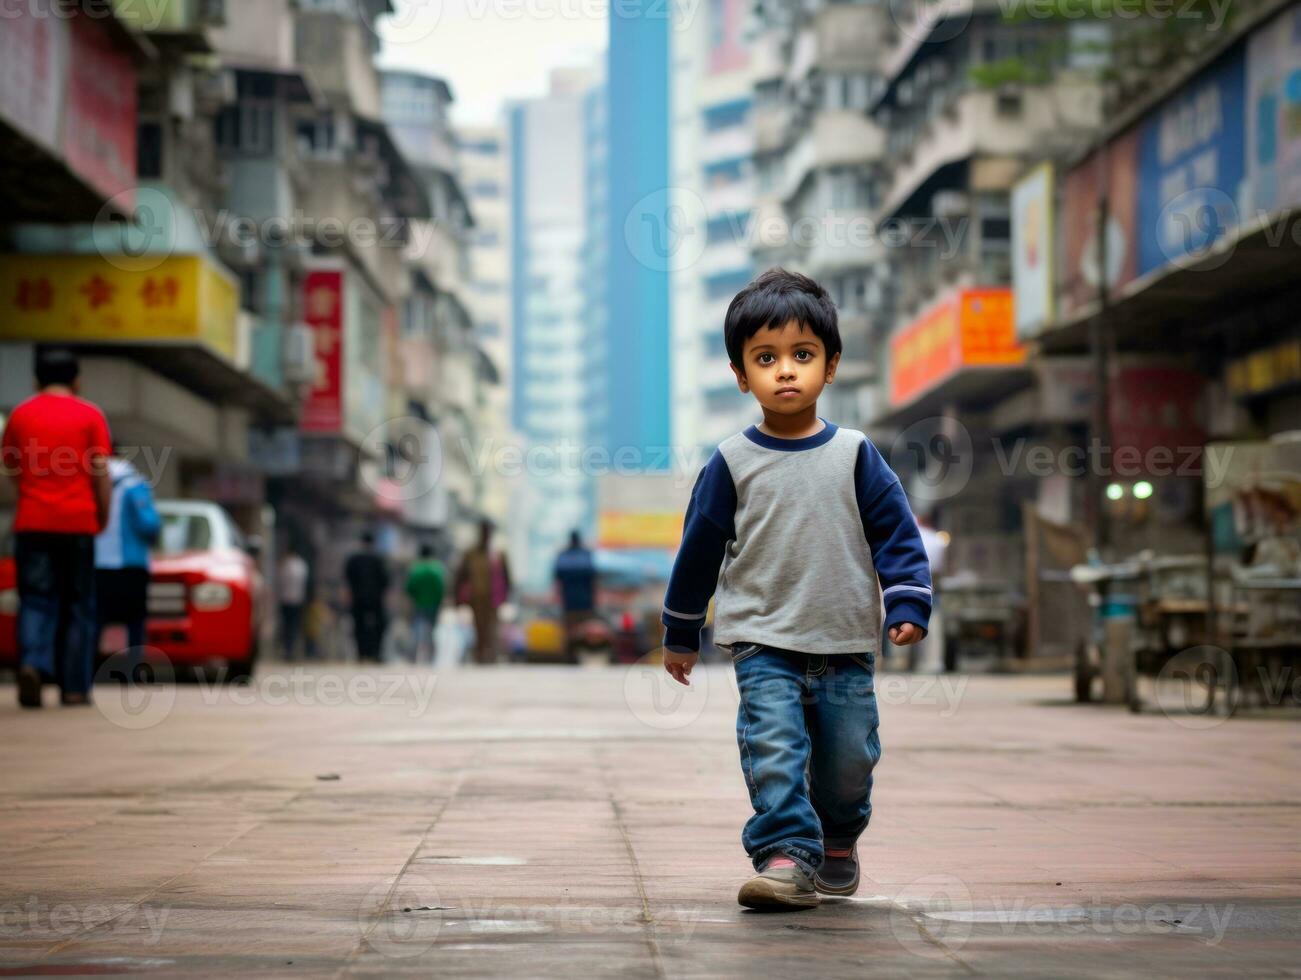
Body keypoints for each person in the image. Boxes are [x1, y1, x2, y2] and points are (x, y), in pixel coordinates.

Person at [660, 269, 931, 910]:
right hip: (762, 641)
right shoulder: (730, 463)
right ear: (740, 373)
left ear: (830, 366)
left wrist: (908, 599)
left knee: (847, 761)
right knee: (775, 750)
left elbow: (897, 533)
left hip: (843, 640)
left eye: (802, 356)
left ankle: (837, 837)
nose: (786, 371)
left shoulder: (857, 455)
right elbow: (697, 552)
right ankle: (786, 854)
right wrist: (680, 632)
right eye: (766, 358)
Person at [1, 348, 113, 708]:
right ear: (77, 381)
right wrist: (103, 515)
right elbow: (100, 473)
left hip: (33, 522)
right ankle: (75, 687)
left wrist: (31, 495)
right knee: (78, 604)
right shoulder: (90, 415)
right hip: (78, 522)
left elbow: (11, 468)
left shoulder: (20, 415)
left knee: (35, 598)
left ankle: (33, 663)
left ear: (35, 380)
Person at [94, 448, 162, 680]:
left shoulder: (89, 482)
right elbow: (149, 524)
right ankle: (132, 670)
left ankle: (86, 672)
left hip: (97, 564)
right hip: (131, 564)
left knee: (95, 619)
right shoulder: (134, 484)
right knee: (134, 620)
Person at [454, 519, 511, 665]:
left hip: (493, 599)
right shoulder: (470, 554)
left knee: (492, 627)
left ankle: (490, 654)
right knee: (478, 627)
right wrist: (456, 598)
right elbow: (460, 576)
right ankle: (479, 654)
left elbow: (507, 577)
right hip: (476, 598)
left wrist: (506, 596)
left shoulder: (498, 554)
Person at [344, 531, 389, 663]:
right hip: (375, 598)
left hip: (358, 598)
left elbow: (348, 579)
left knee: (359, 626)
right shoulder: (379, 559)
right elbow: (385, 580)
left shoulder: (354, 559)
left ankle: (361, 652)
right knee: (379, 626)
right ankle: (375, 652)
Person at [553, 529, 596, 661]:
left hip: (569, 601)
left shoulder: (563, 556)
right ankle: (580, 654)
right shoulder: (586, 555)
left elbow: (557, 578)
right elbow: (593, 579)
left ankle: (568, 655)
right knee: (583, 630)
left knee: (569, 630)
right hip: (585, 601)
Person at [405, 543, 446, 665]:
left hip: (418, 603)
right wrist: (440, 601)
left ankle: (413, 656)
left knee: (416, 631)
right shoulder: (437, 569)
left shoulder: (416, 569)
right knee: (432, 632)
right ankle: (431, 658)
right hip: (433, 604)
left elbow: (410, 588)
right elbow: (440, 588)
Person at [277, 545, 309, 661]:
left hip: (286, 600)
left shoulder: (285, 565)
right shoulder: (302, 565)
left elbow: (281, 581)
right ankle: (293, 650)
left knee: (287, 626)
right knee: (294, 626)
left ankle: (288, 650)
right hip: (298, 600)